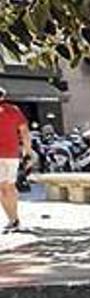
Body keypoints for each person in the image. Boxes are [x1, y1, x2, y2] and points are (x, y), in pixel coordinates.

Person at [0, 86, 33, 233]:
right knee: (10, 186)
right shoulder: (13, 110)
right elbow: (25, 132)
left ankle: (12, 220)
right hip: (12, 155)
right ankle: (14, 219)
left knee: (2, 188)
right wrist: (27, 151)